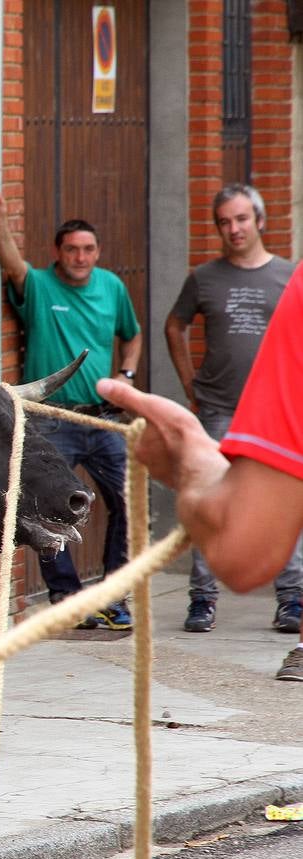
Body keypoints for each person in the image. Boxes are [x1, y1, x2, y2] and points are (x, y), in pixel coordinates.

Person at [99, 257, 303, 680]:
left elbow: (247, 553)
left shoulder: (294, 285)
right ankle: (203, 599)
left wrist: (194, 471)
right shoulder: (208, 279)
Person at [0, 193, 144, 628]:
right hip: (53, 420)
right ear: (58, 253)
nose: (80, 257)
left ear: (97, 253)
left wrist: (127, 376)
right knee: (50, 505)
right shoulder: (40, 286)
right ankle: (67, 596)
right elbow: (12, 264)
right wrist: (0, 219)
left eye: (88, 249)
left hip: (101, 418)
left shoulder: (112, 287)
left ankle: (113, 598)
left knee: (128, 502)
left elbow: (131, 334)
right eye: (72, 249)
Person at [165, 183, 303, 633]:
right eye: (224, 222)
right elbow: (174, 325)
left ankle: (292, 599)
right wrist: (190, 383)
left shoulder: (289, 275)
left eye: (241, 219)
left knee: (287, 501)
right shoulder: (204, 278)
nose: (233, 229)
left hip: (275, 413)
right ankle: (202, 600)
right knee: (212, 501)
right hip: (219, 407)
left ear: (260, 221)